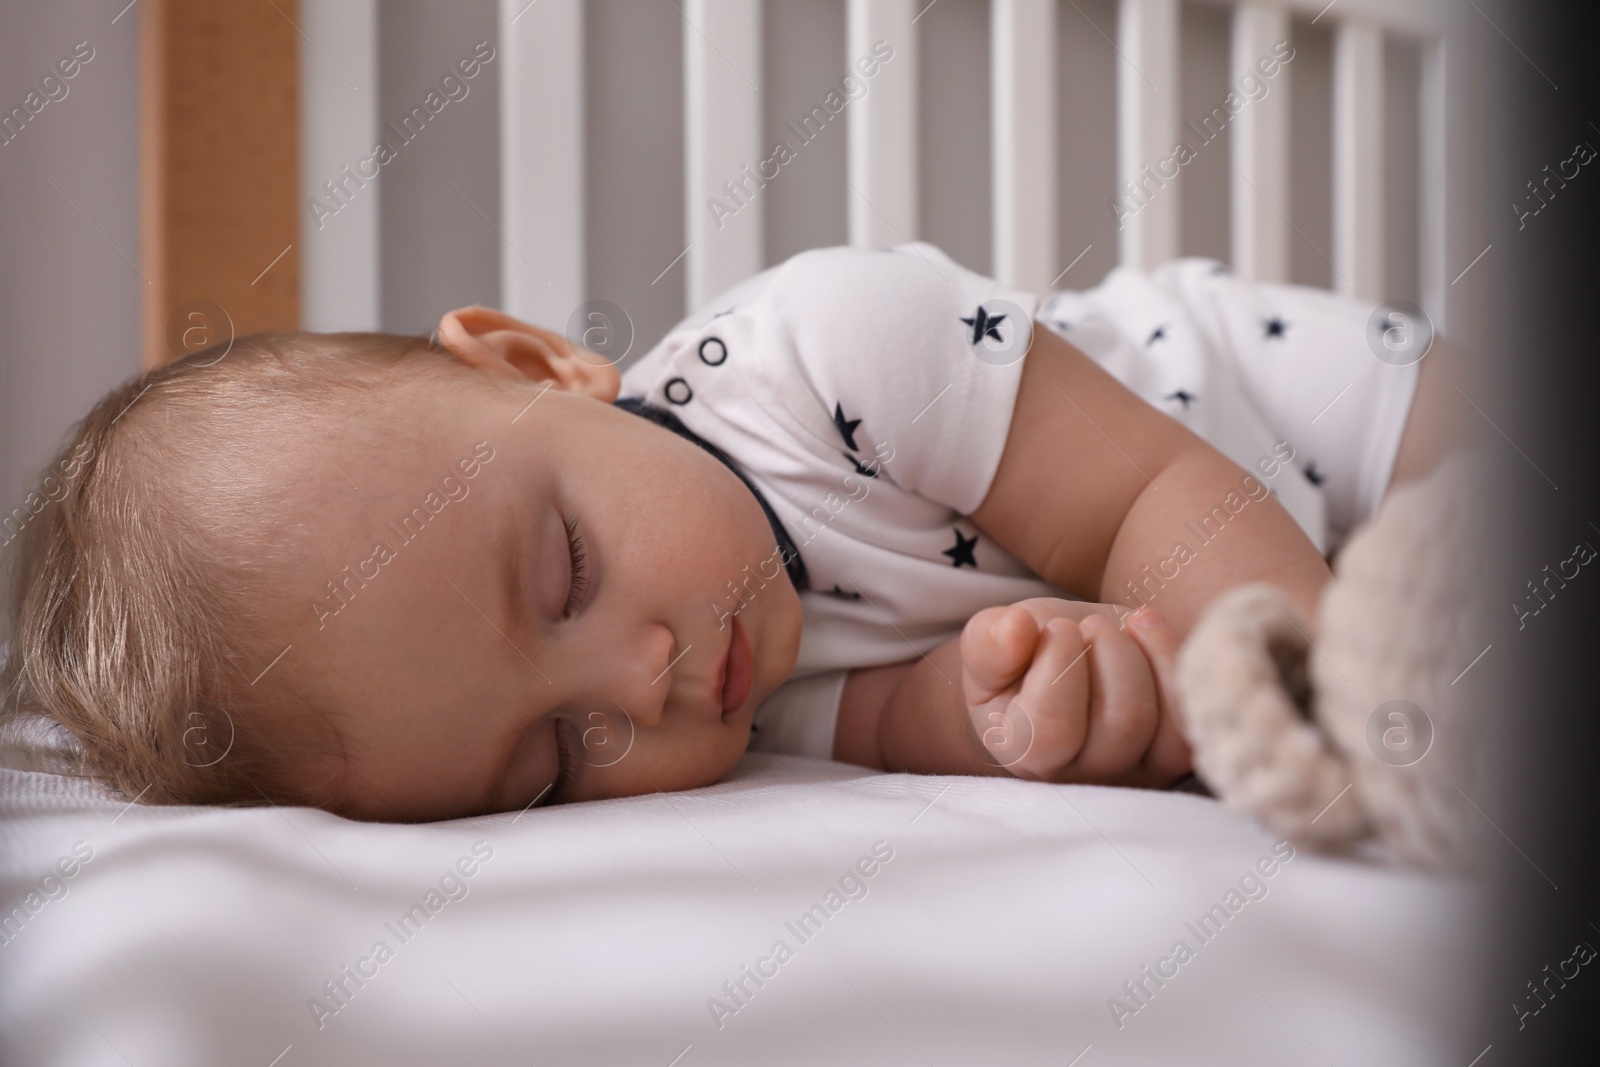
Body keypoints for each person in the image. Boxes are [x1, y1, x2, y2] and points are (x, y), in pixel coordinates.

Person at [0, 243, 1465, 821]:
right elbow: (918, 715)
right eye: (549, 760)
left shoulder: (825, 354)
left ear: (534, 369)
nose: (633, 683)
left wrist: (1300, 696)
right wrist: (1039, 711)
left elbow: (1154, 503)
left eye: (564, 572)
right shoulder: (742, 720)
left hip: (1329, 413)